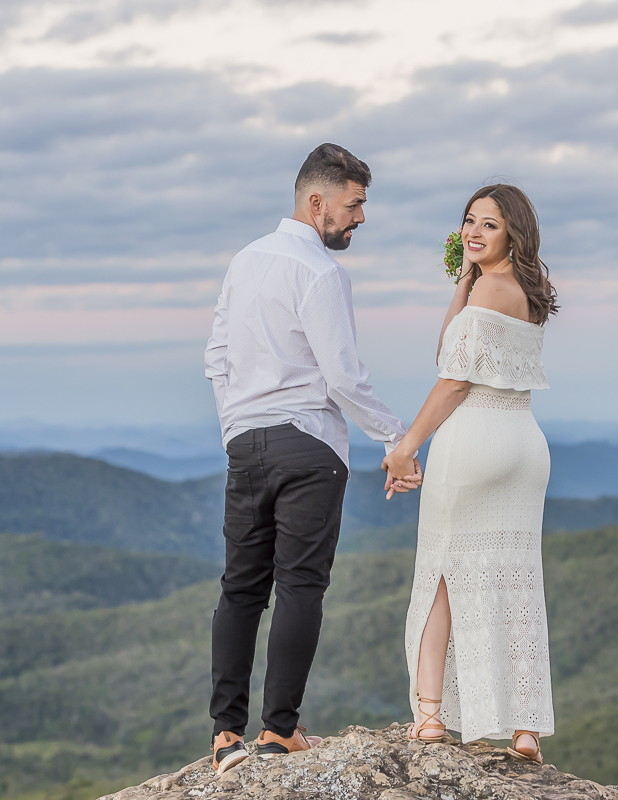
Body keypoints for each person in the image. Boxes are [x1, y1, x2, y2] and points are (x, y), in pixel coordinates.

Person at [204, 143, 421, 775]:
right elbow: (344, 375)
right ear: (315, 200)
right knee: (300, 583)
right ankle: (279, 732)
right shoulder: (323, 274)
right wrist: (397, 438)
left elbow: (215, 356)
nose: (359, 219)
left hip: (244, 443)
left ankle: (225, 736)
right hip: (309, 447)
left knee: (241, 585)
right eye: (354, 206)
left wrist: (234, 426)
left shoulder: (244, 262)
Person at [383, 184, 559, 764]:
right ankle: (524, 728)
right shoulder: (527, 293)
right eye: (469, 222)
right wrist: (463, 275)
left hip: (477, 437)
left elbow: (453, 377)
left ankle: (431, 717)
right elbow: (453, 346)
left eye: (490, 225)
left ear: (513, 233)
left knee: (441, 573)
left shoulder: (488, 287)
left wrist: (408, 446)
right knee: (514, 577)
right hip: (525, 442)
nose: (475, 233)